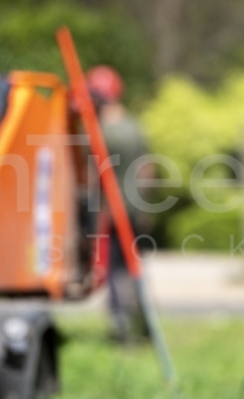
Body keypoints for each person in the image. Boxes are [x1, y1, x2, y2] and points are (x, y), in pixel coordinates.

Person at [86, 65, 154, 342]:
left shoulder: (100, 131)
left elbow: (94, 175)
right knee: (134, 268)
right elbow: (147, 169)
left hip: (112, 212)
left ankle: (121, 326)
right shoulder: (134, 126)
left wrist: (96, 211)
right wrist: (143, 206)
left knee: (114, 271)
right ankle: (147, 324)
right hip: (135, 210)